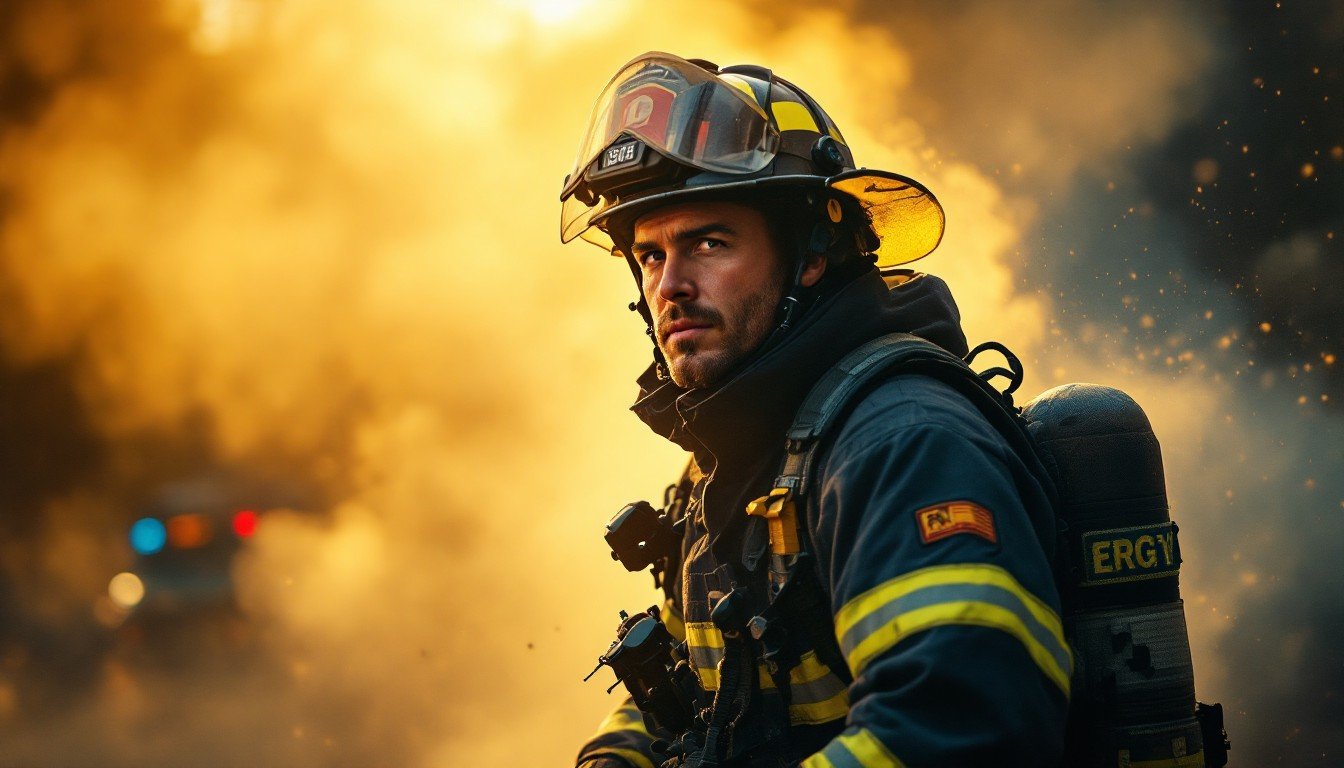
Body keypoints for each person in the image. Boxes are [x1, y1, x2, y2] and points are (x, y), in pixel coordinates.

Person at [561, 52, 1069, 768]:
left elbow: (961, 727)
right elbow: (680, 692)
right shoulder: (728, 468)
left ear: (811, 253)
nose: (670, 285)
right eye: (649, 255)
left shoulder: (901, 444)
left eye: (709, 242)